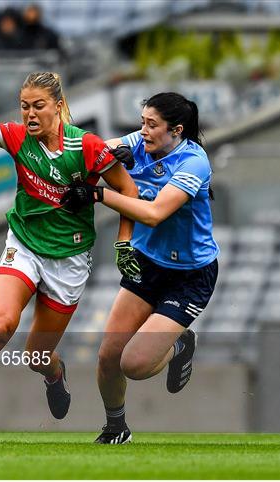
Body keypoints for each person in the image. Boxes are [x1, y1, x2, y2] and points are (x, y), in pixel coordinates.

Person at [0, 71, 138, 443]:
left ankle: (53, 372)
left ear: (58, 107)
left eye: (38, 106)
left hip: (69, 258)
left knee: (36, 356)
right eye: (24, 106)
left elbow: (129, 191)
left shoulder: (86, 147)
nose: (30, 114)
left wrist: (124, 241)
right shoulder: (16, 137)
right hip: (24, 245)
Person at [62, 92, 219, 444]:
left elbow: (154, 213)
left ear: (176, 131)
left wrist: (99, 193)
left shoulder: (193, 162)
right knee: (107, 356)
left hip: (190, 275)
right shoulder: (137, 142)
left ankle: (180, 345)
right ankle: (116, 427)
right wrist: (97, 156)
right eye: (142, 122)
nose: (143, 131)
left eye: (152, 125)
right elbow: (87, 152)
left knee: (134, 365)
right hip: (147, 263)